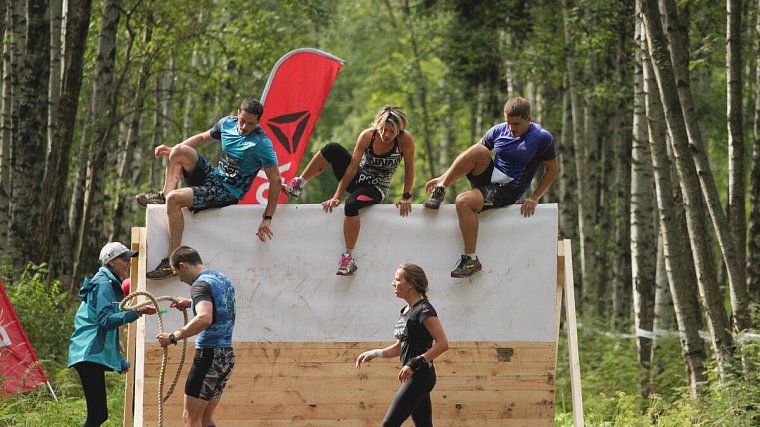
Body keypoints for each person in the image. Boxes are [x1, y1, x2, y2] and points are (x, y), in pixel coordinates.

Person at [136, 98, 282, 280]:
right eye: (242, 121)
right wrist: (173, 149)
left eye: (250, 124)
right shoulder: (227, 123)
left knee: (175, 199)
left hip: (228, 192)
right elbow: (203, 137)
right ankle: (163, 195)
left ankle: (171, 263)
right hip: (213, 177)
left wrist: (267, 217)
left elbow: (275, 180)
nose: (244, 127)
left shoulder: (262, 144)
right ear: (238, 114)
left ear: (258, 122)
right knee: (180, 151)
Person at [423, 97, 558, 278]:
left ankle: (470, 259)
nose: (511, 128)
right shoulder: (499, 130)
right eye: (508, 123)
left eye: (516, 124)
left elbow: (552, 170)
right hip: (490, 177)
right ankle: (441, 189)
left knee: (462, 201)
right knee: (479, 150)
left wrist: (534, 197)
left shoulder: (542, 138)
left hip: (508, 189)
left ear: (529, 119)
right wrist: (443, 177)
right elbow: (468, 157)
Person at [282, 105, 415, 275]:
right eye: (384, 129)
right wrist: (336, 196)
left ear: (400, 131)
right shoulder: (368, 136)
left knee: (351, 205)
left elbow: (409, 169)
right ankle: (298, 185)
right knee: (332, 148)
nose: (387, 135)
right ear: (377, 126)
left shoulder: (405, 140)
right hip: (358, 178)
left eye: (392, 132)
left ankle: (348, 258)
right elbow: (352, 168)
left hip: (375, 188)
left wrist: (406, 196)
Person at [68, 242, 157, 427]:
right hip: (88, 353)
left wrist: (120, 362)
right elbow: (106, 321)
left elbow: (107, 331)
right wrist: (137, 312)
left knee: (99, 415)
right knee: (98, 415)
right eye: (123, 258)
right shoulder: (105, 284)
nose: (128, 262)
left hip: (89, 353)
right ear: (110, 262)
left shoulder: (108, 282)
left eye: (128, 257)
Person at [355, 263, 449, 426]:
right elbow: (400, 347)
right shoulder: (406, 310)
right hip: (414, 374)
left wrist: (413, 363)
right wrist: (374, 353)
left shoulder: (424, 309)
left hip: (421, 376)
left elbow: (442, 344)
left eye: (398, 279)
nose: (393, 283)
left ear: (411, 283)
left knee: (389, 424)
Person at [156, 246, 236, 427]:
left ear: (183, 265)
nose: (181, 280)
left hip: (209, 357)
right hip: (226, 357)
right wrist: (192, 303)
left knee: (191, 418)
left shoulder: (199, 285)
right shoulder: (222, 279)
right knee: (205, 418)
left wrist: (174, 336)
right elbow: (218, 306)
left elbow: (204, 318)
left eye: (178, 274)